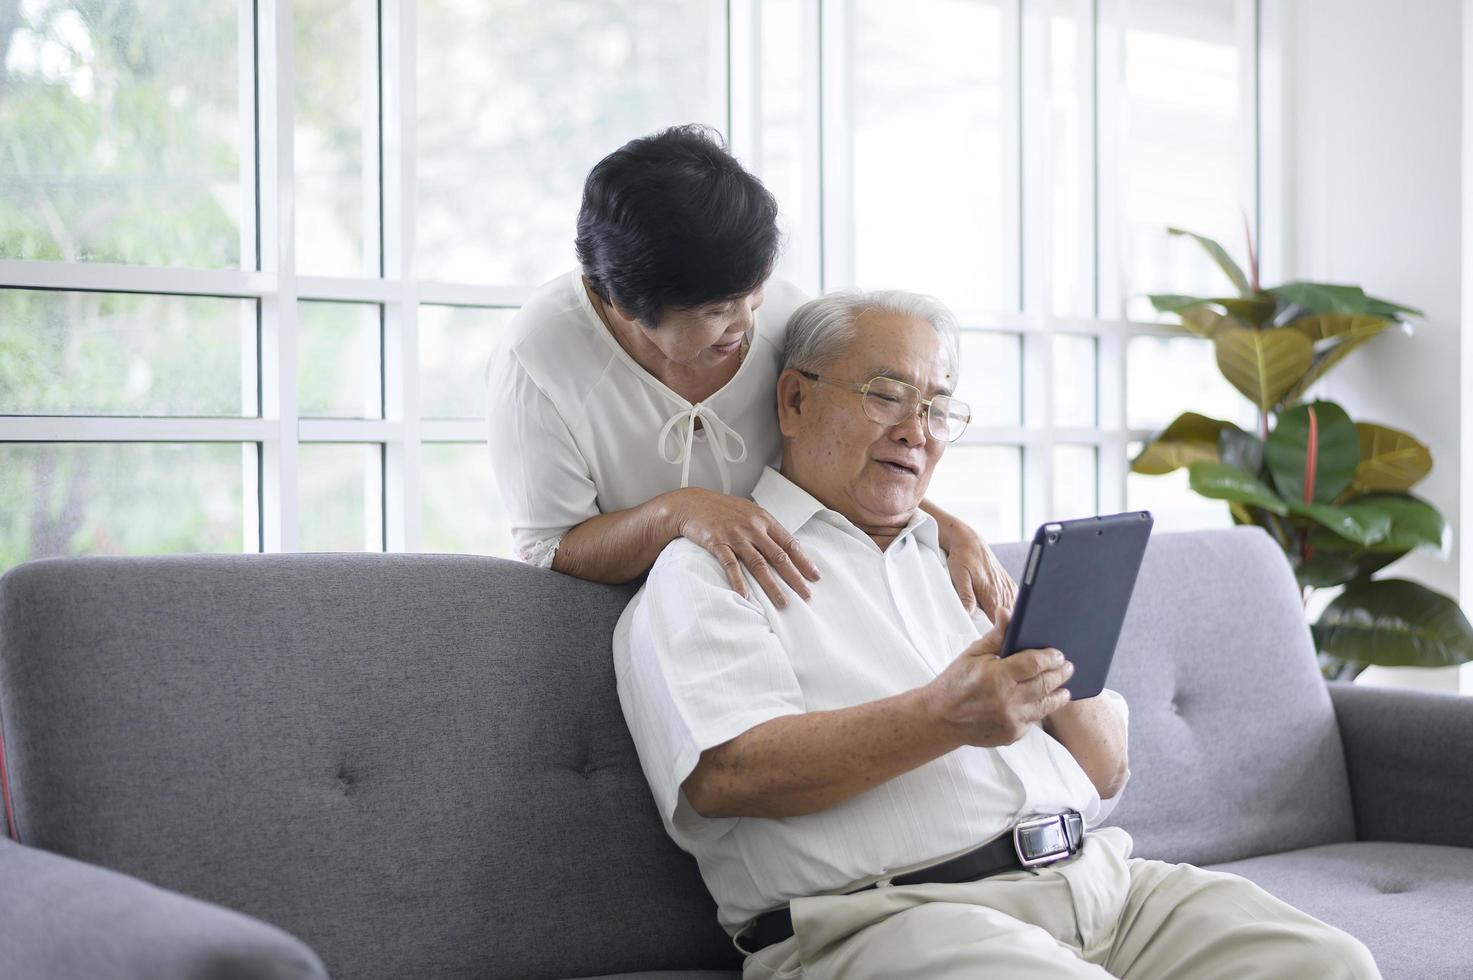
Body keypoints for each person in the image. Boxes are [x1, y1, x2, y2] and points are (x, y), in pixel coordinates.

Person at [613, 289, 1382, 980]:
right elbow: (727, 776)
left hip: (1101, 887)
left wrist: (1052, 666)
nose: (916, 432)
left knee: (1331, 964)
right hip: (889, 921)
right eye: (886, 395)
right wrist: (941, 717)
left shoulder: (965, 563)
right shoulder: (707, 571)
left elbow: (1105, 771)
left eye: (938, 408)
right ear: (792, 401)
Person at [484, 124, 1015, 617]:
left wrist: (945, 528)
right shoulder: (538, 358)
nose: (745, 322)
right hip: (656, 612)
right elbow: (553, 546)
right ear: (626, 304)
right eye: (715, 311)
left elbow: (855, 455)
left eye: (753, 290)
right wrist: (679, 513)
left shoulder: (784, 315)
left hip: (796, 596)